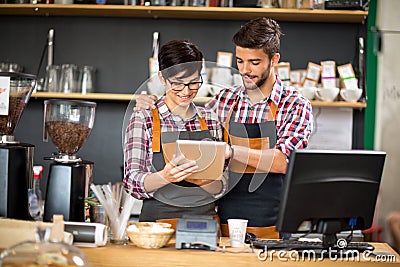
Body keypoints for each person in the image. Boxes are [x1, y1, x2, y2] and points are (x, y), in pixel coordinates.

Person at [134, 17, 313, 230]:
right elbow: (184, 121)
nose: (245, 70)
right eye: (240, 61)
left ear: (274, 60)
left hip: (275, 223)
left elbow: (283, 161)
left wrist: (230, 151)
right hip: (226, 221)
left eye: (254, 62)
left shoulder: (295, 105)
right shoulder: (224, 100)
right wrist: (151, 103)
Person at [123, 40, 228, 222]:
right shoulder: (143, 119)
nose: (186, 91)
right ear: (162, 78)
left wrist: (204, 181)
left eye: (194, 82)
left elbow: (223, 185)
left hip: (205, 222)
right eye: (178, 83)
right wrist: (165, 176)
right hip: (157, 225)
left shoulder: (211, 120)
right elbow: (132, 182)